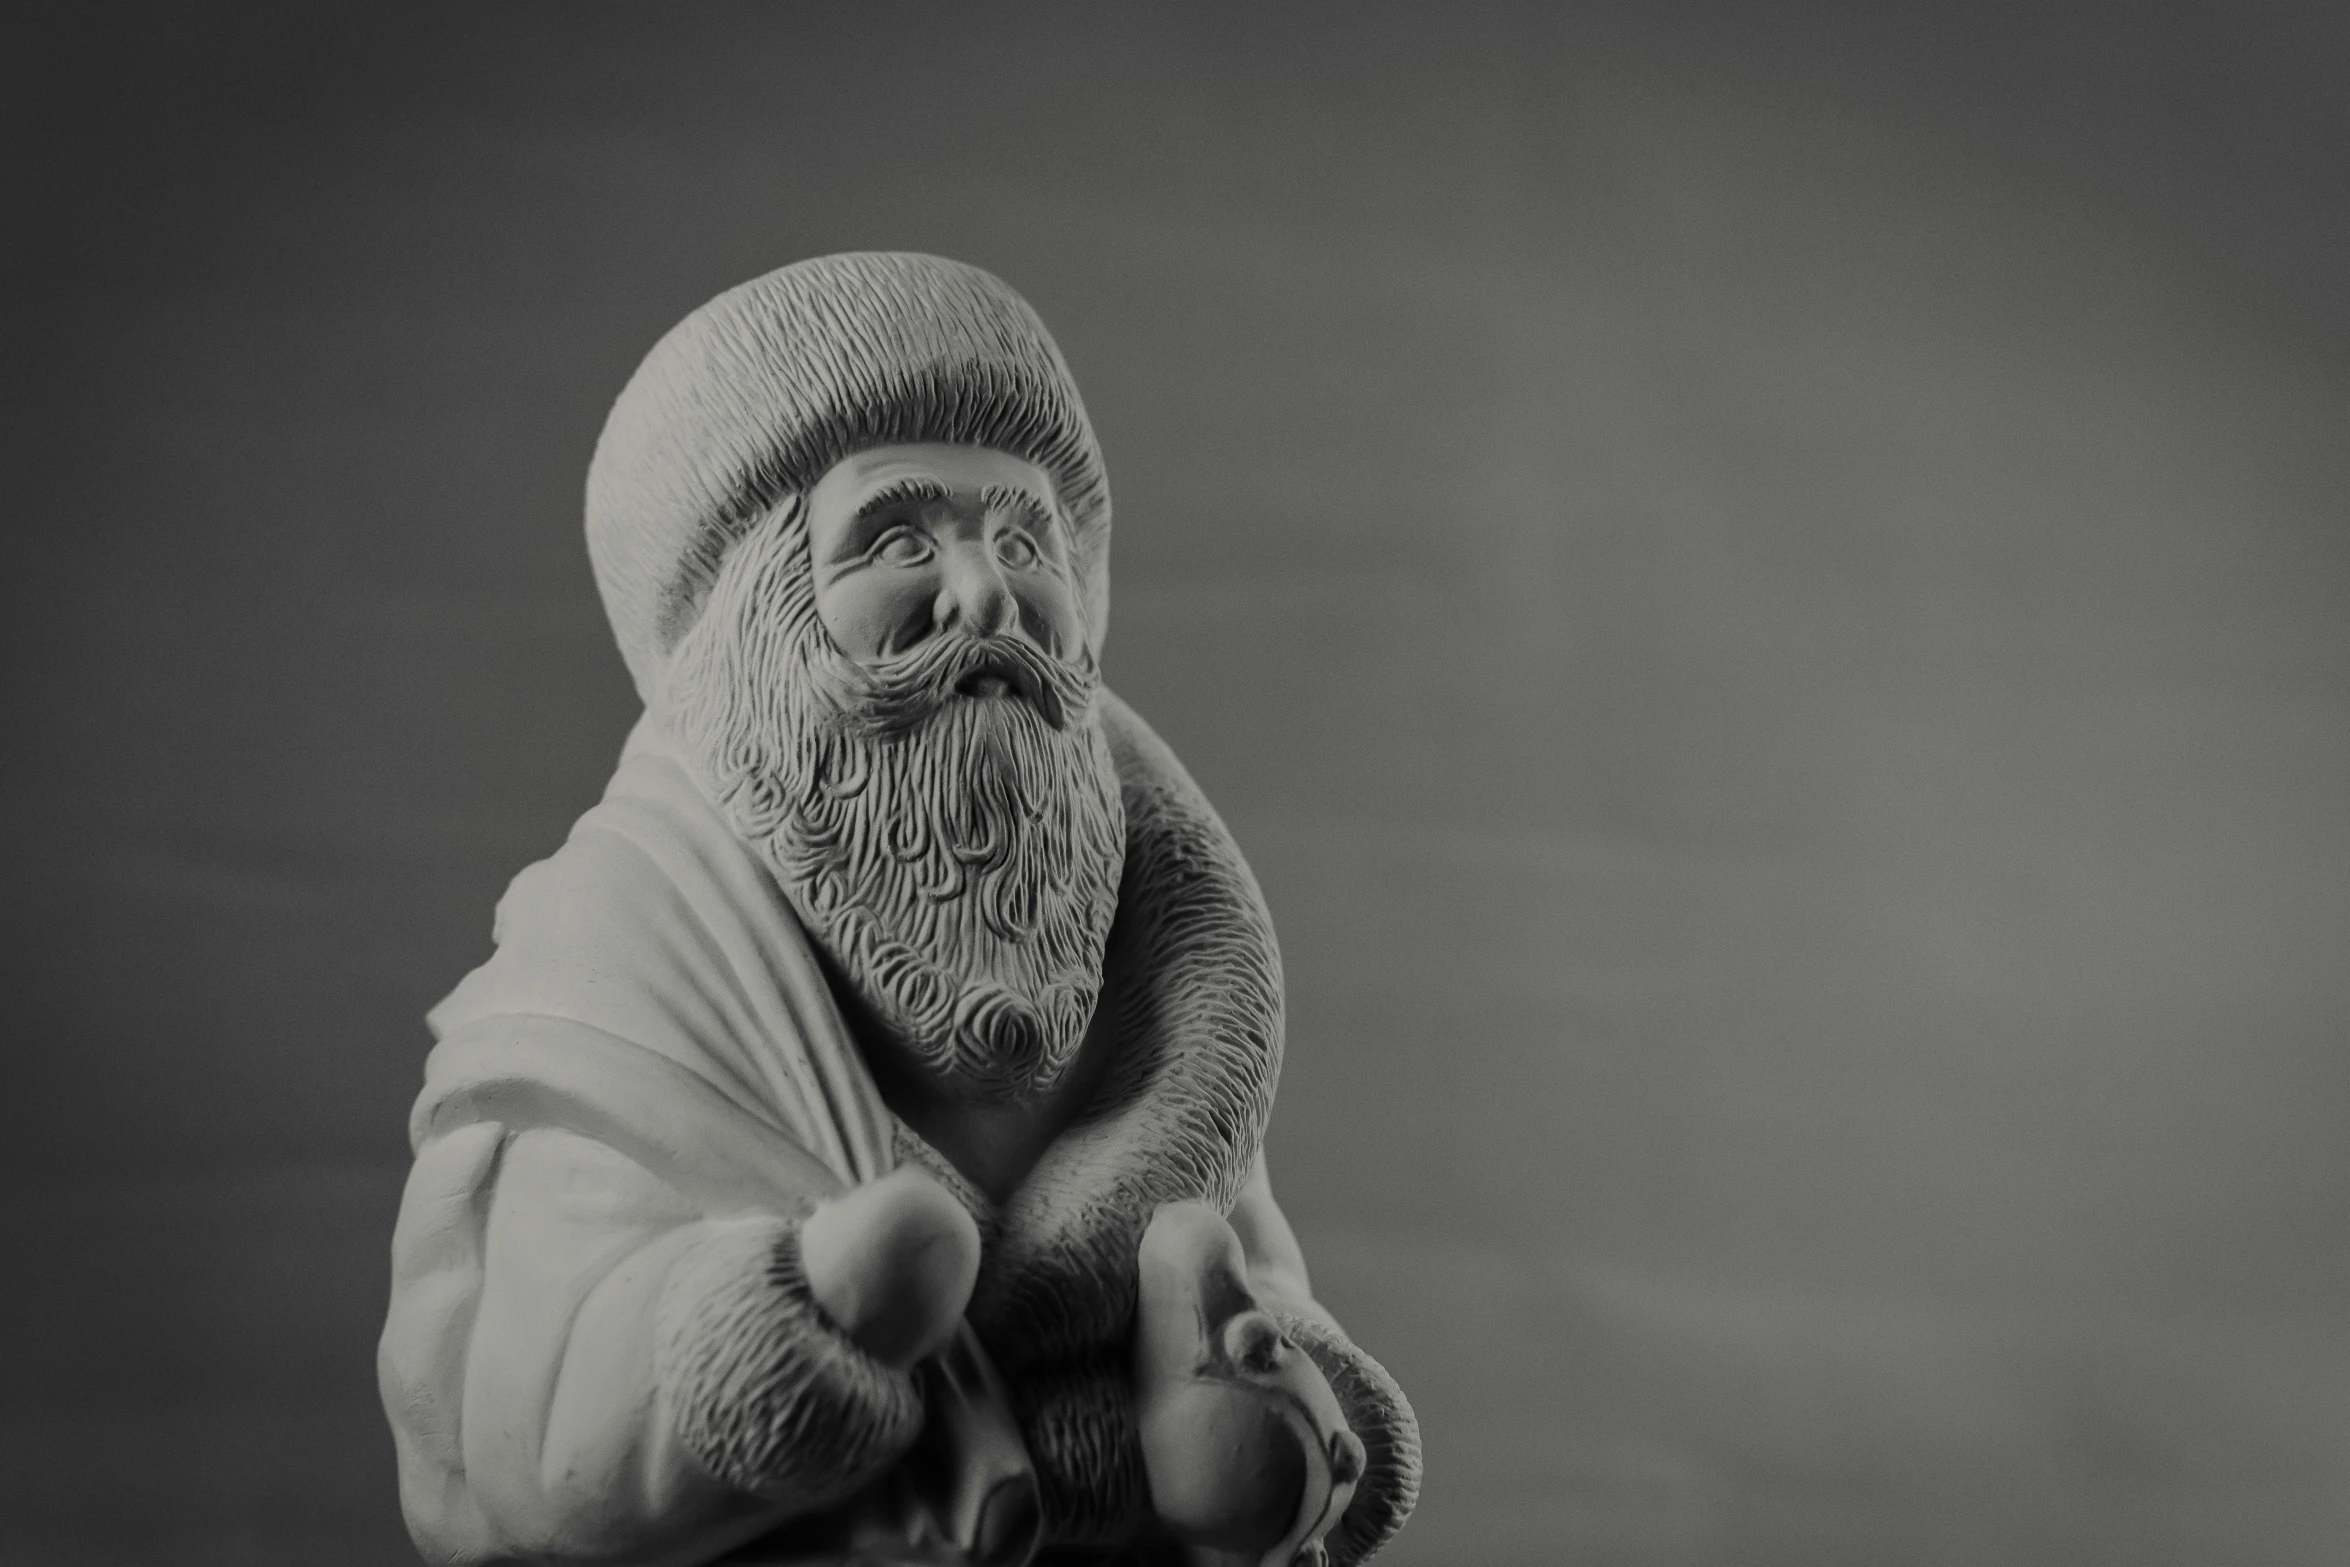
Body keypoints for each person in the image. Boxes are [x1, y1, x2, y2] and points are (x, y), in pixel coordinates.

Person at [379, 253, 1418, 1567]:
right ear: (759, 615)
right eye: (897, 539)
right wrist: (784, 1329)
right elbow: (537, 1435)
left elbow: (1245, 1260)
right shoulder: (625, 973)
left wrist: (1264, 1394)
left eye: (1023, 539)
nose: (987, 594)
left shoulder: (1143, 942)